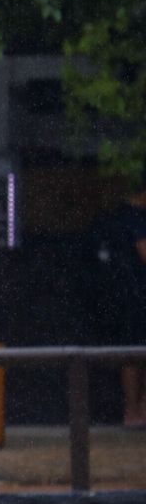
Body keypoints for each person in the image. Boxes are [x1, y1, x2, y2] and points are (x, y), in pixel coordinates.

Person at [90, 183, 146, 427]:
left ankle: (136, 408)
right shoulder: (133, 218)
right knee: (133, 352)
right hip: (134, 296)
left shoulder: (123, 216)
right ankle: (134, 410)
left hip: (128, 295)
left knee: (134, 352)